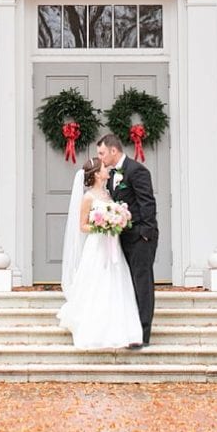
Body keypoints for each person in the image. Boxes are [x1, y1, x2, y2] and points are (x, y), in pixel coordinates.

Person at [56, 157, 144, 350]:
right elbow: (82, 226)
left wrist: (118, 220)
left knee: (116, 284)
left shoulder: (107, 193)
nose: (108, 169)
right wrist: (102, 225)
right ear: (97, 173)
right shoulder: (88, 197)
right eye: (105, 167)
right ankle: (95, 329)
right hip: (97, 246)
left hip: (113, 245)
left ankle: (119, 329)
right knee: (97, 285)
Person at [97, 131, 157, 348]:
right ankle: (131, 330)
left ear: (114, 150)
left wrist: (145, 233)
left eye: (102, 153)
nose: (101, 158)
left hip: (140, 237)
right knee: (128, 284)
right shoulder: (113, 175)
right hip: (122, 238)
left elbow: (147, 203)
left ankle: (144, 333)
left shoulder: (137, 170)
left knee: (142, 284)